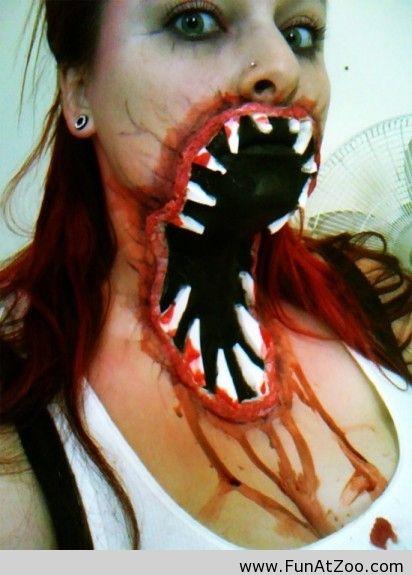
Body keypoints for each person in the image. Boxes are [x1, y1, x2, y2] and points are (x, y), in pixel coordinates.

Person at [0, 0, 411, 551]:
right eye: (193, 22)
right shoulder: (20, 438)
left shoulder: (374, 297)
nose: (282, 67)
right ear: (79, 92)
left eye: (300, 33)